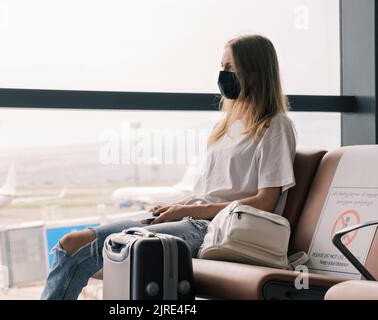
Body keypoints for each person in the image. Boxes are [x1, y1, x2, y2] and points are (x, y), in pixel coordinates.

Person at [41, 34, 297, 300]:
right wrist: (180, 207)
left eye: (231, 68)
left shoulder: (274, 126)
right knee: (71, 243)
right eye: (222, 67)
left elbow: (266, 201)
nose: (223, 75)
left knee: (90, 246)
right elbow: (214, 192)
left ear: (255, 73)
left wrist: (189, 210)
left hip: (216, 231)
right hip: (194, 221)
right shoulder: (226, 127)